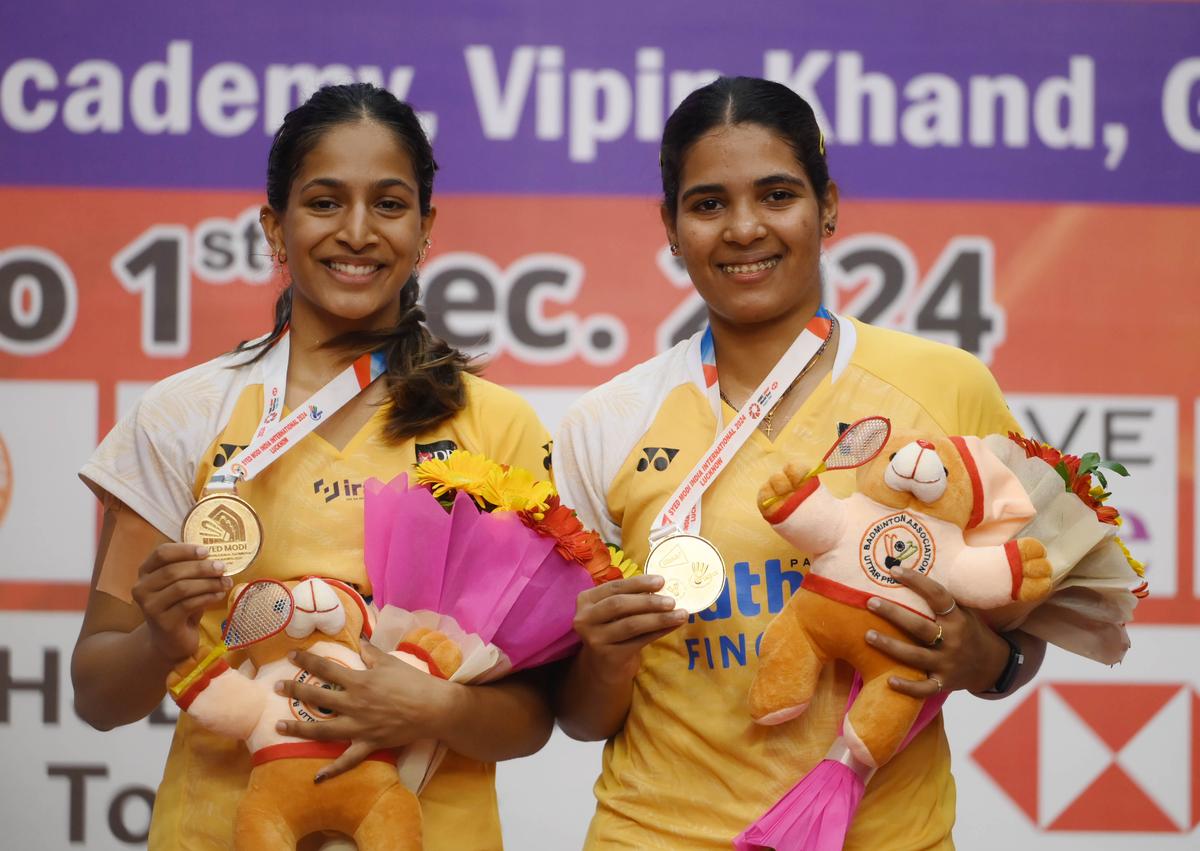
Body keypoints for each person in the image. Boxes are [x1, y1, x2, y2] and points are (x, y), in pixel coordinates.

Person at [552, 76, 1045, 850]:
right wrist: (606, 660)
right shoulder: (604, 424)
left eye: (777, 195)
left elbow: (1027, 627)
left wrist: (984, 657)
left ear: (830, 206)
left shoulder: (948, 387)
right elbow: (581, 719)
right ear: (672, 228)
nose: (745, 228)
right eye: (708, 204)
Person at [71, 83, 554, 851]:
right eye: (324, 202)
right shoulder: (181, 415)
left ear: (426, 229)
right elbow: (97, 691)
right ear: (275, 226)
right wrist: (159, 640)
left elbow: (536, 714)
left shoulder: (497, 428)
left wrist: (431, 707)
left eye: (389, 205)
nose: (356, 232)